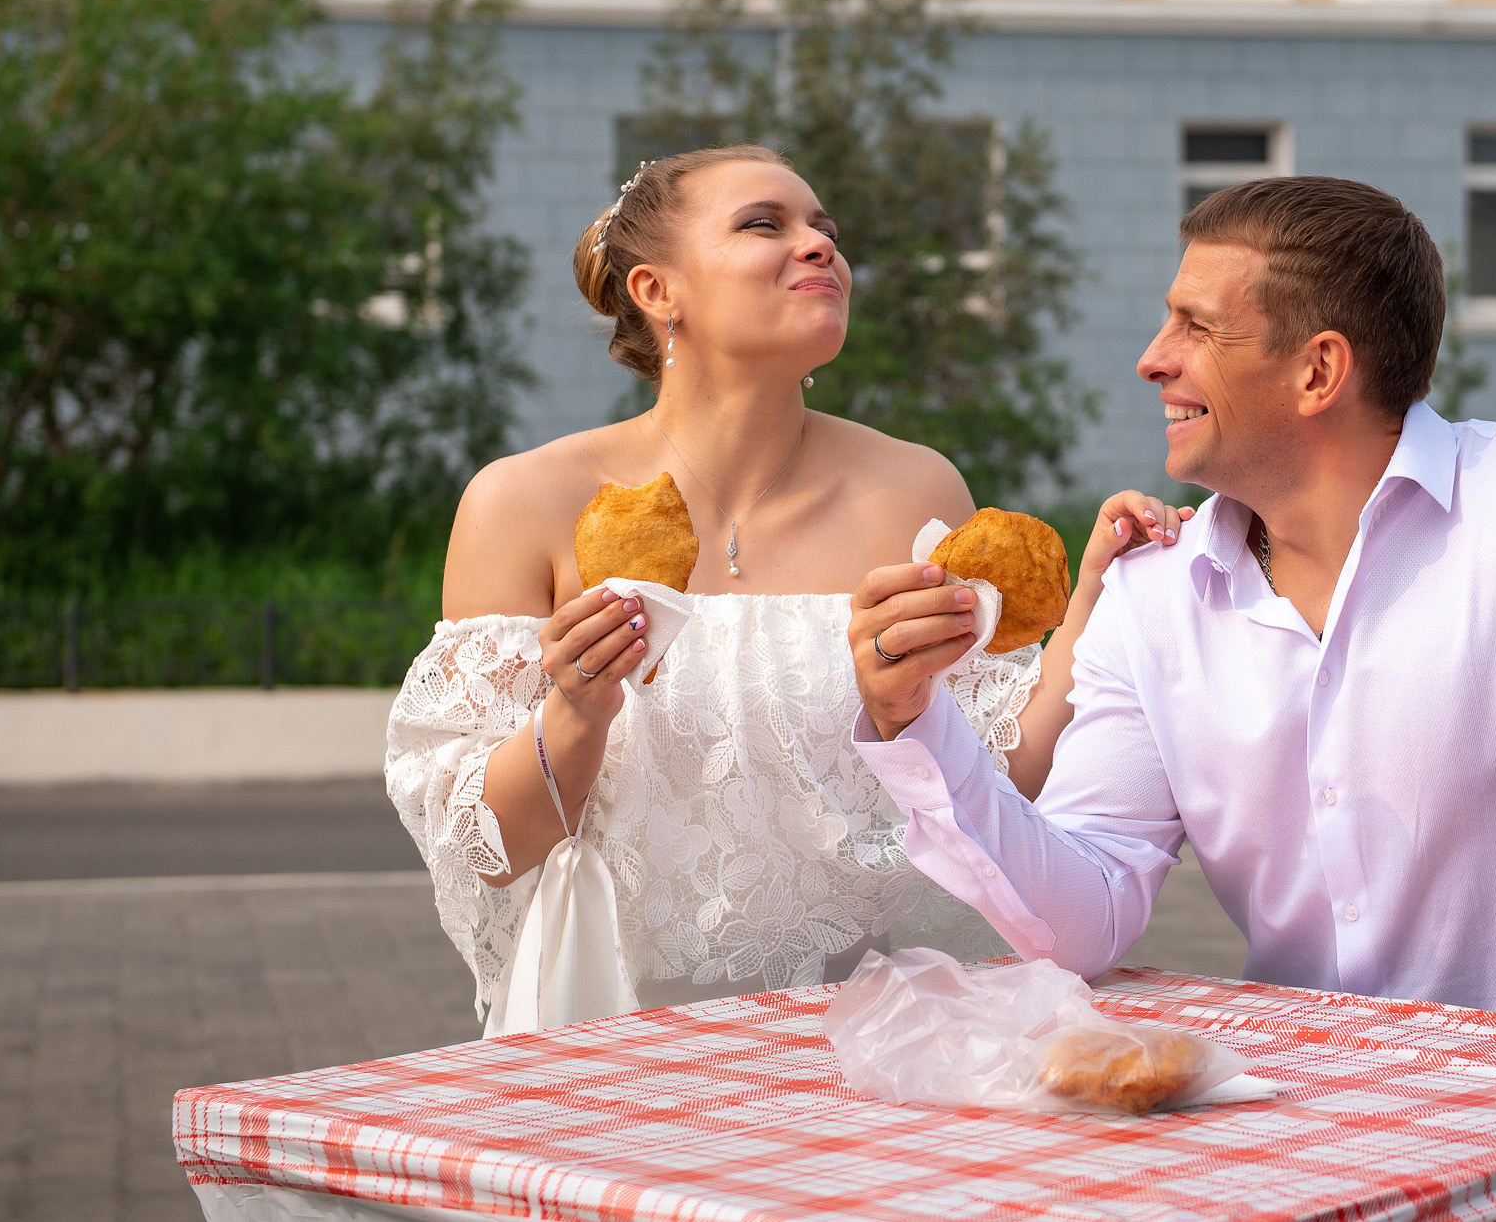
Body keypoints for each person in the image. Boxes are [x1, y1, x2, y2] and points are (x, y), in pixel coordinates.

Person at [847, 176, 1496, 1217]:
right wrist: (915, 721)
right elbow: (1083, 911)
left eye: (1196, 326)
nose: (1153, 357)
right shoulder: (1151, 597)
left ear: (1318, 369)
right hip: (1300, 1172)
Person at [384, 144, 1188, 1031]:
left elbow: (1003, 779)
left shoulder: (914, 491)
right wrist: (575, 710)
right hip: (612, 1028)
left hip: (876, 1031)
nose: (819, 245)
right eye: (764, 224)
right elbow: (490, 851)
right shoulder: (523, 503)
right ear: (656, 290)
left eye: (824, 228)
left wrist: (1093, 600)